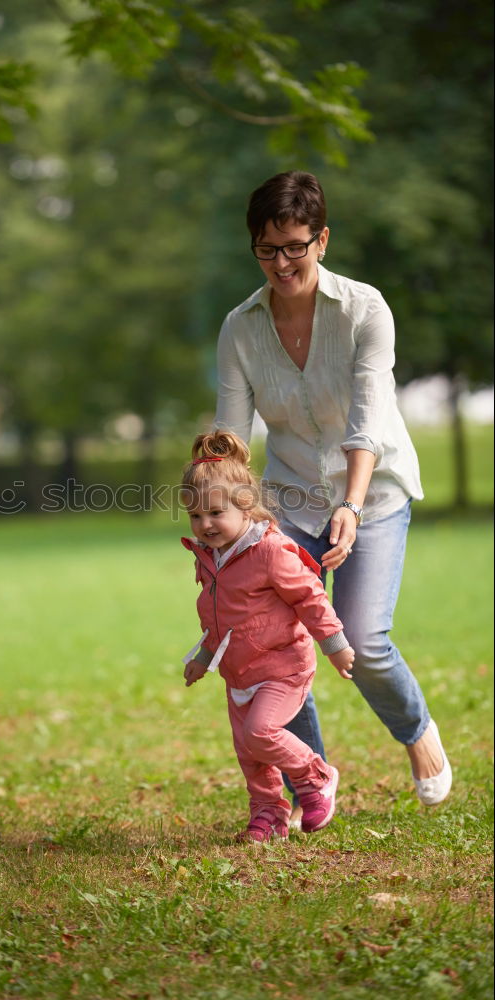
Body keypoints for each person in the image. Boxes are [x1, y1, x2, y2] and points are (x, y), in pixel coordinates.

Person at [213, 169, 451, 808]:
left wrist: (349, 502)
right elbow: (232, 434)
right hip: (288, 499)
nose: (282, 262)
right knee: (269, 644)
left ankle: (417, 731)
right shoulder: (241, 327)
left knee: (363, 637)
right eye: (268, 249)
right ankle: (309, 782)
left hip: (371, 494)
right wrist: (223, 515)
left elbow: (366, 419)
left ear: (322, 241)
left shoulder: (365, 309)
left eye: (295, 246)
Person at [180, 430, 355, 841]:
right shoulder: (212, 558)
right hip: (240, 672)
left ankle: (317, 777)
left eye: (216, 514)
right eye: (195, 516)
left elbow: (311, 596)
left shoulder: (270, 551)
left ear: (246, 509)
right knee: (250, 751)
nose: (205, 525)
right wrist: (203, 659)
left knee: (261, 733)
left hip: (282, 666)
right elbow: (222, 619)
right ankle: (268, 814)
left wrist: (336, 646)